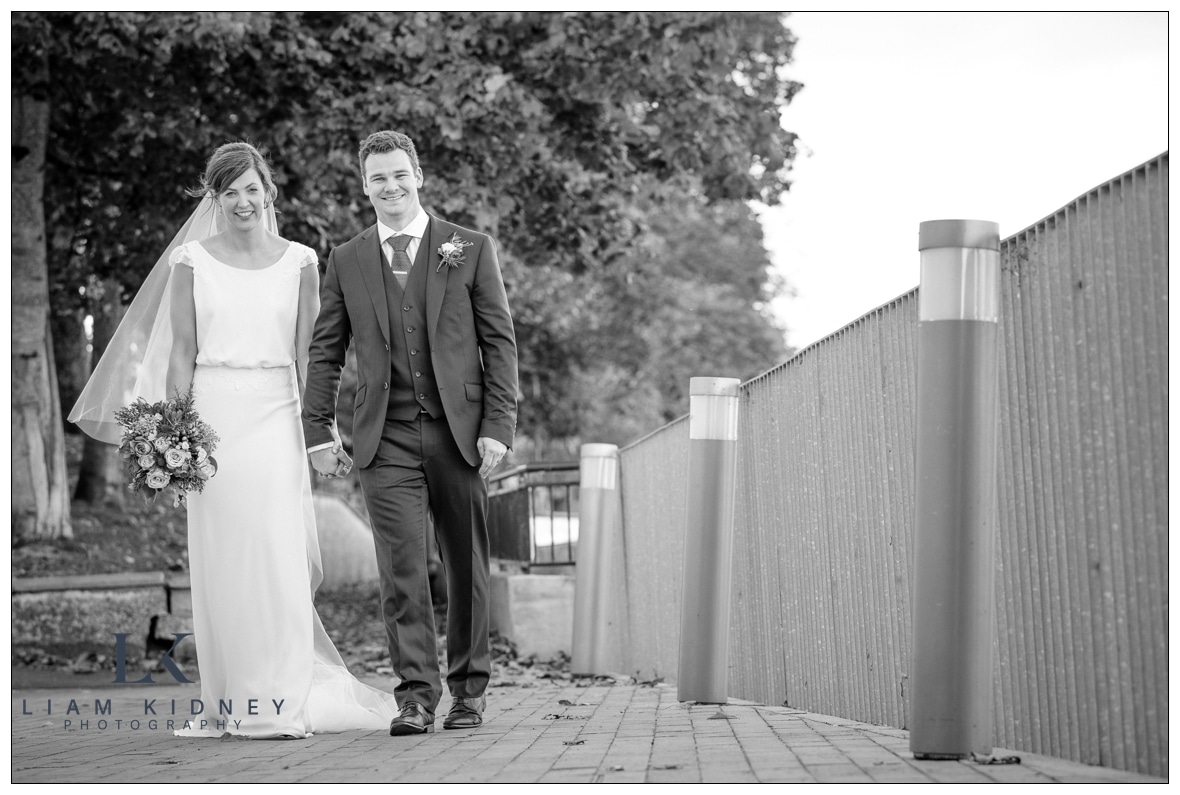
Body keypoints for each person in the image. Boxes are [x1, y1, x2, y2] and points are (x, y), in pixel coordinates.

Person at [70, 142, 400, 738]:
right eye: (230, 193)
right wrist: (175, 436)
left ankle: (280, 699)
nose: (243, 202)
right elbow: (180, 357)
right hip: (212, 422)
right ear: (214, 200)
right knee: (223, 560)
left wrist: (316, 433)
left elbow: (309, 356)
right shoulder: (191, 262)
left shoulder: (301, 261)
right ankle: (229, 700)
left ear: (268, 192)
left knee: (275, 553)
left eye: (252, 189)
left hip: (277, 416)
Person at [302, 130, 518, 736]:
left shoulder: (470, 247)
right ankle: (415, 696)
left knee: (465, 564)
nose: (390, 186)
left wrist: (499, 424)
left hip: (461, 431)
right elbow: (325, 353)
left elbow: (498, 342)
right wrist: (319, 432)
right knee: (401, 567)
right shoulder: (347, 259)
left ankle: (469, 692)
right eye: (378, 178)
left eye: (400, 174)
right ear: (364, 186)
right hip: (383, 436)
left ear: (418, 175)